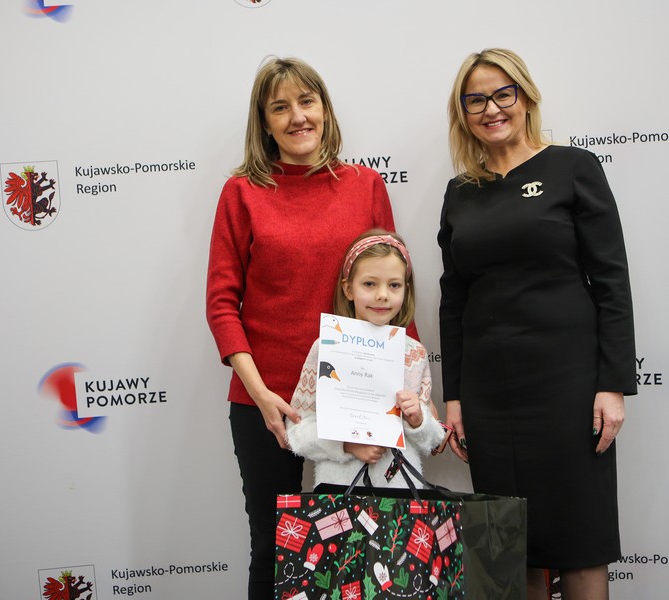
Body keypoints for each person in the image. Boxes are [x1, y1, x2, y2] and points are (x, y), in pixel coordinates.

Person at [438, 48, 637, 600]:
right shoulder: (460, 192)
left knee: (581, 545)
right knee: (506, 549)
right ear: (463, 113)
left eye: (503, 94)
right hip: (489, 395)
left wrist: (612, 383)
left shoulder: (573, 167)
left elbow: (611, 281)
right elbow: (454, 299)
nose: (491, 109)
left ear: (526, 98)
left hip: (569, 388)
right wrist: (454, 398)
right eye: (475, 100)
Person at [206, 57, 401, 600]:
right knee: (274, 551)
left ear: (325, 110)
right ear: (264, 123)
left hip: (356, 398)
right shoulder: (242, 192)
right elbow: (221, 304)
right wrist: (259, 394)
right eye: (280, 107)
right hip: (266, 401)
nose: (297, 117)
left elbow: (394, 292)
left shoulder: (365, 185)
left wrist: (403, 390)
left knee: (359, 551)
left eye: (307, 102)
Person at [286, 230, 445, 491]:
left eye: (394, 285)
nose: (382, 295)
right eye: (370, 284)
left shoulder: (414, 353)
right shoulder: (326, 348)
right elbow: (297, 432)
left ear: (406, 290)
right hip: (339, 493)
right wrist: (346, 445)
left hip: (401, 493)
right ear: (348, 289)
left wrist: (418, 419)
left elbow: (433, 438)